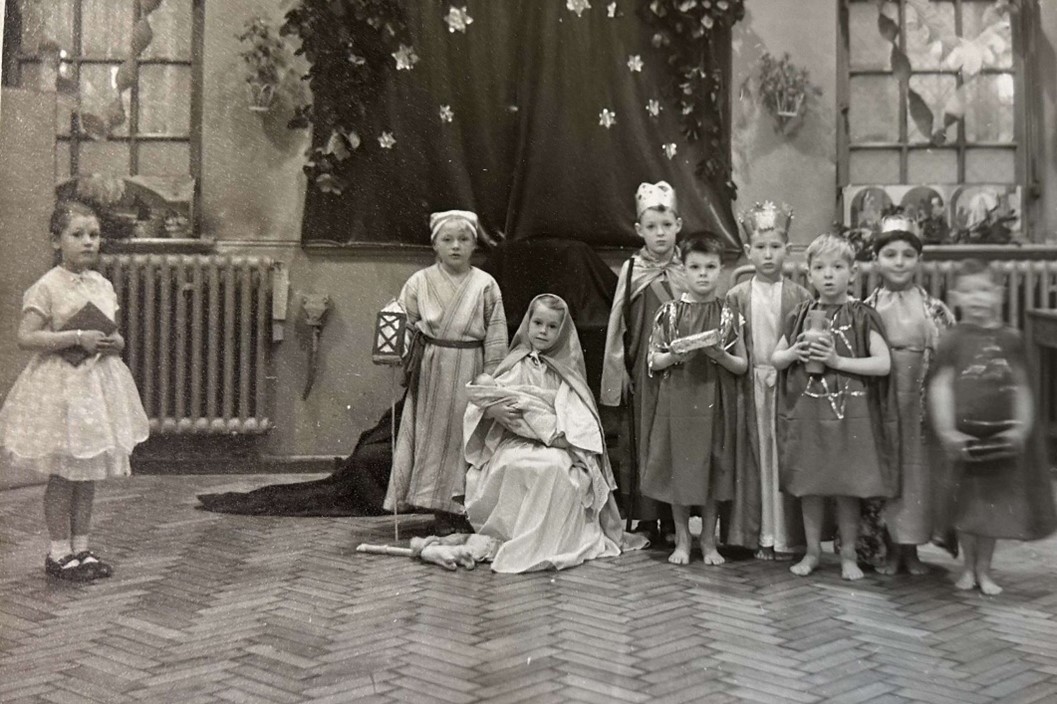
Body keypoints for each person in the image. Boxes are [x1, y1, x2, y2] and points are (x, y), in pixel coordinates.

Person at [0, 200, 149, 581]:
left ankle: (81, 548)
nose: (88, 242)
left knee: (87, 473)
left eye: (94, 235)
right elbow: (26, 337)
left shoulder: (103, 285)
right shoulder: (47, 286)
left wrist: (114, 343)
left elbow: (114, 334)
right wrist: (76, 336)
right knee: (64, 473)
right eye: (77, 234)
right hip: (62, 389)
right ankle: (58, 552)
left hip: (96, 388)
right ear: (57, 240)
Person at [463, 294, 647, 572]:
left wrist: (556, 429)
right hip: (514, 442)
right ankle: (518, 537)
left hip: (556, 443)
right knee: (516, 465)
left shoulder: (567, 371)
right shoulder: (514, 364)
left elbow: (579, 415)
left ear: (562, 331)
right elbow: (485, 398)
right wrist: (493, 411)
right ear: (528, 323)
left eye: (552, 326)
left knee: (555, 469)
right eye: (537, 323)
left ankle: (552, 542)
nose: (543, 331)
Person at [772, 234, 898, 581]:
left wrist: (838, 361)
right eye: (820, 268)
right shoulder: (800, 314)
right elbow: (775, 358)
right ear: (809, 274)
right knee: (810, 485)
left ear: (852, 272)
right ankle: (813, 552)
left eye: (838, 267)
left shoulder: (862, 315)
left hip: (849, 417)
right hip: (808, 415)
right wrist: (793, 353)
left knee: (846, 488)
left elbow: (883, 364)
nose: (828, 275)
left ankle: (848, 555)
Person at [928, 259, 1056, 596]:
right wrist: (947, 431)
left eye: (984, 290)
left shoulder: (1011, 338)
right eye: (969, 292)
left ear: (998, 293)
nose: (977, 298)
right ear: (956, 296)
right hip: (964, 441)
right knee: (966, 509)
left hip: (999, 440)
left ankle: (984, 569)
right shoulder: (952, 339)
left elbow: (1023, 386)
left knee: (991, 511)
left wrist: (1021, 429)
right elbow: (940, 386)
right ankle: (967, 567)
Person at [383, 210, 508, 536]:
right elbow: (406, 324)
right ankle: (439, 510)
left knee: (466, 438)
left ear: (474, 244)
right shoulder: (419, 282)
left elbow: (496, 334)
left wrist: (491, 376)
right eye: (447, 239)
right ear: (435, 244)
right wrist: (395, 349)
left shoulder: (485, 284)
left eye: (463, 239)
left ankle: (465, 508)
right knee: (433, 438)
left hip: (471, 367)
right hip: (433, 369)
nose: (455, 246)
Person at [643, 236, 749, 565]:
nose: (703, 274)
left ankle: (709, 541)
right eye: (695, 267)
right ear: (683, 269)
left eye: (710, 267)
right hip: (679, 399)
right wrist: (673, 356)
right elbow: (653, 360)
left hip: (715, 399)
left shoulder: (729, 313)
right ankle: (682, 540)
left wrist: (720, 355)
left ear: (721, 270)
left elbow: (742, 364)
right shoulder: (669, 313)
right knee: (680, 467)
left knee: (713, 466)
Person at [861, 214, 955, 575]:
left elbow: (949, 354)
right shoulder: (866, 308)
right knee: (887, 472)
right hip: (882, 400)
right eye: (890, 255)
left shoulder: (934, 309)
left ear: (919, 260)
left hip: (919, 402)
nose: (899, 262)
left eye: (907, 255)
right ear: (876, 260)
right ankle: (887, 548)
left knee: (916, 474)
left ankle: (911, 549)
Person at [725, 202, 813, 561]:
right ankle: (757, 535)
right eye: (760, 247)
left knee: (782, 457)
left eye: (775, 247)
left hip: (786, 385)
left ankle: (785, 538)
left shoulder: (800, 296)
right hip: (750, 384)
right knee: (754, 457)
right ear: (748, 251)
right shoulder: (737, 296)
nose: (767, 254)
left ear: (787, 249)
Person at [600, 181, 687, 541]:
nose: (660, 233)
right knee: (645, 440)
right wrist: (618, 369)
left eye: (666, 225)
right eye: (652, 227)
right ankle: (648, 517)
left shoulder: (688, 269)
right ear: (639, 230)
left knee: (675, 439)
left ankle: (674, 517)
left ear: (678, 225)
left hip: (681, 369)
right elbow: (617, 323)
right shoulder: (632, 269)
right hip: (644, 370)